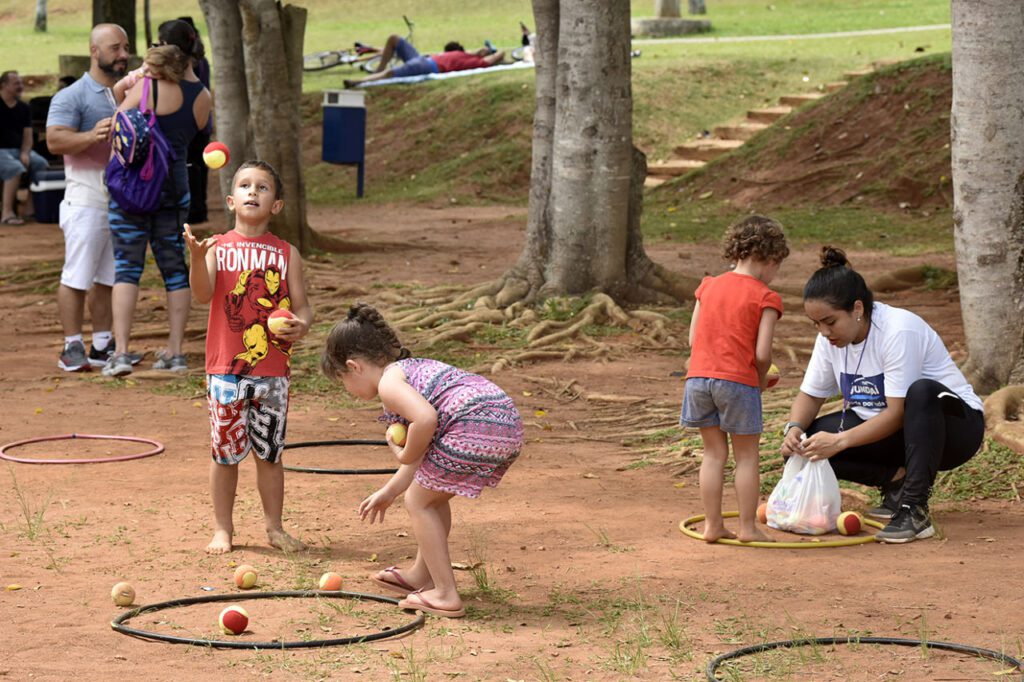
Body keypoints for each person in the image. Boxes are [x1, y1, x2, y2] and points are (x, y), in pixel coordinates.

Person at [320, 304, 523, 618]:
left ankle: (444, 593)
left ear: (354, 366)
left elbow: (425, 421)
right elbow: (424, 460)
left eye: (343, 381)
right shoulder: (411, 370)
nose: (348, 390)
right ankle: (420, 574)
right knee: (432, 497)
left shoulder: (389, 384)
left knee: (420, 502)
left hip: (473, 423)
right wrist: (390, 490)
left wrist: (404, 453)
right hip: (502, 422)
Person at [780, 246, 985, 543]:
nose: (823, 332)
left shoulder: (898, 331)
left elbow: (898, 412)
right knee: (804, 446)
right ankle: (895, 481)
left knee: (922, 391)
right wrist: (794, 429)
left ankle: (913, 508)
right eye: (816, 324)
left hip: (953, 429)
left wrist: (839, 441)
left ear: (858, 309)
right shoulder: (829, 340)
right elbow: (810, 396)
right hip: (896, 433)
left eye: (830, 322)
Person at [183, 160, 312, 555]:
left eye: (263, 187)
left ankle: (274, 527)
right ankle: (223, 529)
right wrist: (195, 257)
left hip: (273, 371)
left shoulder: (287, 253)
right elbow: (202, 295)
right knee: (224, 455)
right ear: (230, 200)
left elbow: (304, 308)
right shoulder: (218, 247)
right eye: (244, 185)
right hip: (225, 370)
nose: (253, 192)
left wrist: (301, 326)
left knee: (270, 454)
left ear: (277, 205)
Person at [103, 20, 212, 377]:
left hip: (132, 192)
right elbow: (196, 134)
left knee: (127, 268)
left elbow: (120, 120)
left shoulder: (147, 88)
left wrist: (134, 83)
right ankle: (176, 353)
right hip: (173, 190)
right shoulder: (203, 96)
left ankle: (120, 353)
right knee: (174, 269)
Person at [681, 215, 789, 543]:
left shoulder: (709, 286)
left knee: (713, 454)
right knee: (746, 456)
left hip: (698, 379)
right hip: (738, 382)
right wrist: (758, 380)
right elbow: (762, 354)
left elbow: (692, 339)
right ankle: (747, 527)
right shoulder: (766, 297)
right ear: (770, 259)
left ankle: (713, 526)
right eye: (777, 267)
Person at [46, 24, 137, 372]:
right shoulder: (72, 96)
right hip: (85, 200)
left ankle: (102, 345)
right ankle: (71, 346)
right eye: (115, 48)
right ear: (94, 51)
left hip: (122, 202)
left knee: (108, 278)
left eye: (126, 47)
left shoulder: (128, 92)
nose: (123, 55)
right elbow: (54, 141)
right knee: (77, 276)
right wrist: (92, 135)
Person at [344, 35, 505, 88]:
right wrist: (483, 50)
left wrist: (497, 52)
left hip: (428, 66)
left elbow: (495, 58)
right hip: (423, 59)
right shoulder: (463, 53)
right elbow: (476, 51)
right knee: (394, 38)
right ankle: (378, 71)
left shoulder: (474, 63)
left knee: (391, 73)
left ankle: (359, 81)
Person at [0, 70, 49, 225]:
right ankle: (7, 213)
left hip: (17, 151)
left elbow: (28, 136)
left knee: (41, 164)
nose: (20, 86)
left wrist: (25, 153)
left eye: (21, 83)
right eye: (16, 83)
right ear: (3, 85)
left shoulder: (23, 108)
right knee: (14, 168)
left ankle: (30, 207)